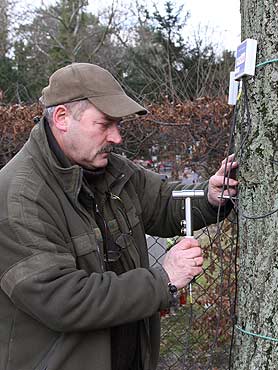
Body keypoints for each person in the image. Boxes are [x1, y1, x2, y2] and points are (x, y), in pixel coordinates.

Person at [0, 63, 238, 370]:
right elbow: (62, 300)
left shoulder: (110, 170)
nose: (117, 137)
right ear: (62, 118)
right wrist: (162, 280)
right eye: (105, 124)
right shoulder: (18, 198)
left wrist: (210, 196)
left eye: (118, 125)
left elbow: (164, 204)